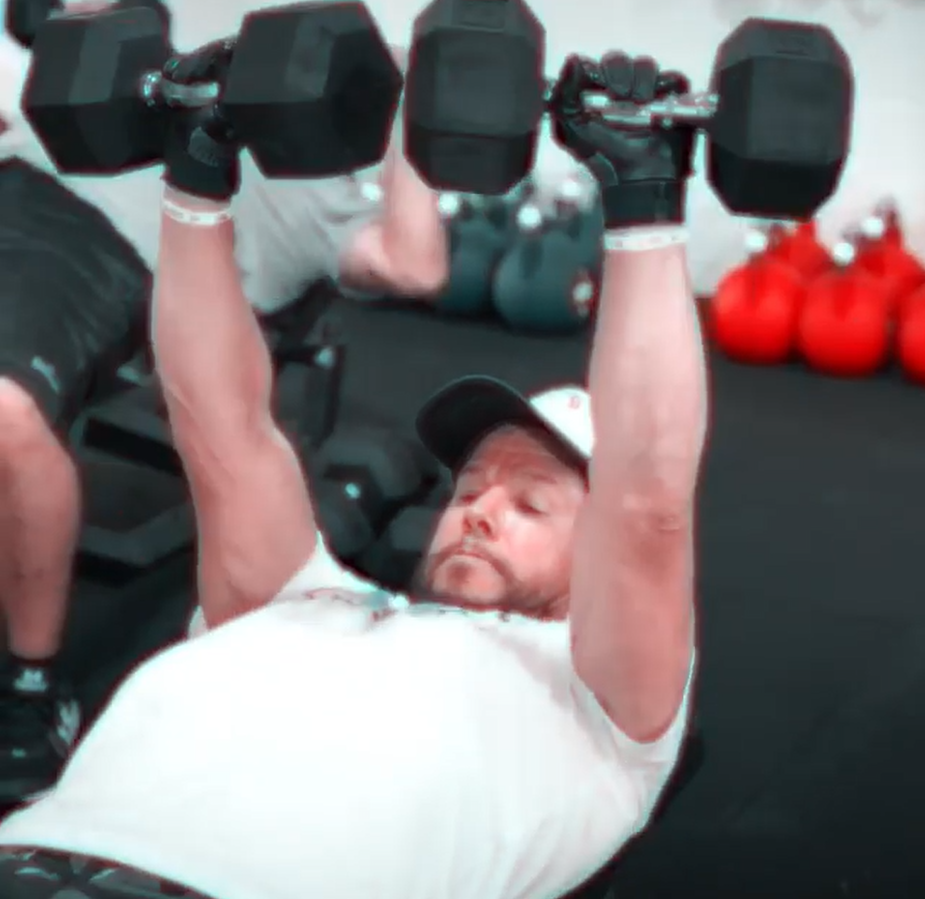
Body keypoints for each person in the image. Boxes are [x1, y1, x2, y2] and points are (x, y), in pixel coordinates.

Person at [0, 48, 705, 899]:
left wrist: (644, 205)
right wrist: (196, 173)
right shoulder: (295, 596)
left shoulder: (602, 713)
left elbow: (647, 495)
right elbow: (221, 422)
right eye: (470, 487)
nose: (477, 510)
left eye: (530, 503)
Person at [0, 4, 445, 802]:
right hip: (15, 178)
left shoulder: (320, 200)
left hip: (85, 243)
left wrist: (421, 94)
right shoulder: (143, 78)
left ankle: (30, 690)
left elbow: (416, 267)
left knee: (3, 412)